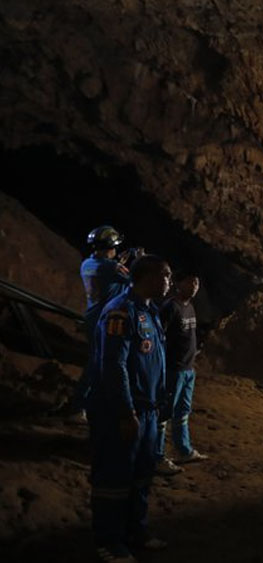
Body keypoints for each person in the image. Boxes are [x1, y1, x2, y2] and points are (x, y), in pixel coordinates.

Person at [89, 255, 172, 563]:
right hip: (121, 411)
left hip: (147, 410)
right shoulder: (121, 312)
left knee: (141, 476)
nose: (168, 282)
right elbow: (114, 366)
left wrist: (159, 403)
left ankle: (136, 530)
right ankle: (109, 541)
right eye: (165, 275)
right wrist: (126, 412)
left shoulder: (150, 312)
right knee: (114, 477)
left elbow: (153, 361)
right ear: (147, 277)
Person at [68, 226, 135, 423]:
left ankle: (87, 405)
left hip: (92, 317)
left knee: (98, 363)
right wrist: (138, 260)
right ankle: (79, 407)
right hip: (107, 321)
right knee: (103, 364)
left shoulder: (87, 264)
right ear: (110, 247)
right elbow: (135, 280)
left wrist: (117, 262)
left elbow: (108, 273)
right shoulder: (111, 268)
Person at [154, 273, 208, 476]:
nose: (194, 285)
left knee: (183, 411)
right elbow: (159, 337)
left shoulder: (190, 307)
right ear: (178, 283)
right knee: (164, 413)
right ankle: (156, 457)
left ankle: (184, 450)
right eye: (190, 281)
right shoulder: (170, 307)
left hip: (187, 370)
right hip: (173, 369)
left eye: (197, 282)